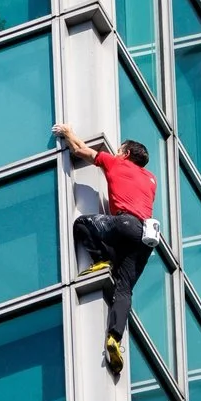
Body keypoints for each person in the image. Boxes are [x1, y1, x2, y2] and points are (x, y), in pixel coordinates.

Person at [54, 123, 158, 373]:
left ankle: (101, 260)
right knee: (124, 290)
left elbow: (80, 150)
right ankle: (114, 338)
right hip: (145, 238)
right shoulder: (151, 180)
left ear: (124, 154)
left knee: (83, 223)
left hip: (125, 224)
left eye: (120, 149)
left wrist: (67, 132)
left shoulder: (117, 163)